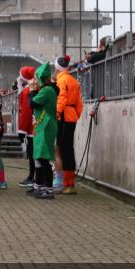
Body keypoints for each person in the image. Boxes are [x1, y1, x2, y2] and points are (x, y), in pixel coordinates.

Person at [28, 62, 59, 200]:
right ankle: (39, 185)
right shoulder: (47, 89)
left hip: (46, 126)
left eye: (36, 78)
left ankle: (48, 189)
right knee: (39, 157)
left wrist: (32, 90)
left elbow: (32, 103)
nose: (34, 81)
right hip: (42, 125)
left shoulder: (47, 91)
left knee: (44, 157)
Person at [54, 55, 82, 195]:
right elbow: (79, 102)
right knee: (69, 150)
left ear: (57, 68)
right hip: (72, 117)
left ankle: (67, 183)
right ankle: (70, 182)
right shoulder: (73, 80)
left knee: (63, 150)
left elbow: (61, 98)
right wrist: (76, 114)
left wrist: (57, 113)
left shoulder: (61, 81)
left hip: (63, 117)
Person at [16, 66, 37, 187]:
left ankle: (32, 177)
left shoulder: (27, 91)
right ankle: (35, 177)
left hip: (30, 128)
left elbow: (25, 112)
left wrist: (22, 130)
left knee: (32, 154)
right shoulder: (32, 89)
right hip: (35, 126)